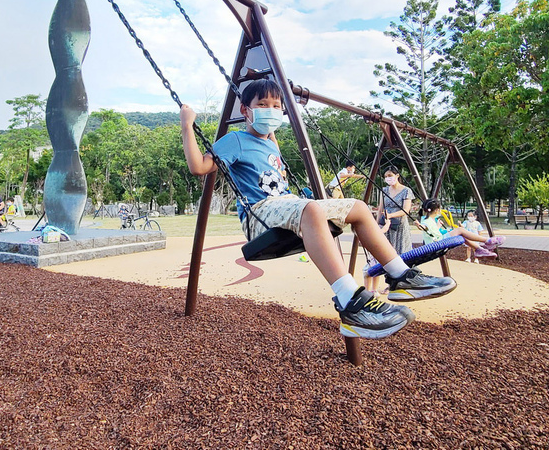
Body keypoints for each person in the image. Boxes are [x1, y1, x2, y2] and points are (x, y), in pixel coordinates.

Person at [180, 79, 456, 340]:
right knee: (311, 208)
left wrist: (274, 116)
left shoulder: (269, 142)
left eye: (277, 106)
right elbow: (199, 168)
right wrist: (187, 126)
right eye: (263, 105)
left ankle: (400, 276)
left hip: (288, 205)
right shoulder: (235, 140)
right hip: (261, 213)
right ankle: (351, 302)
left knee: (358, 208)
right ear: (245, 110)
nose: (272, 111)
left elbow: (272, 142)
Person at [415, 199, 502, 259]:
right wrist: (419, 225)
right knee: (460, 230)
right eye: (440, 209)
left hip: (437, 241)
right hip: (435, 244)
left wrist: (438, 226)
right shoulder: (425, 221)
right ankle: (487, 241)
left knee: (462, 236)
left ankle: (479, 249)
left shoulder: (431, 219)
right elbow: (424, 227)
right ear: (436, 210)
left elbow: (432, 232)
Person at [379, 168, 413, 254]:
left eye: (390, 175)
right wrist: (377, 224)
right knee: (385, 252)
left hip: (400, 226)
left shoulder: (406, 191)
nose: (388, 178)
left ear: (397, 175)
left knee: (402, 252)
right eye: (386, 176)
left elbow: (406, 210)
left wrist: (391, 215)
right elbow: (380, 208)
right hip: (386, 225)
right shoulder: (384, 190)